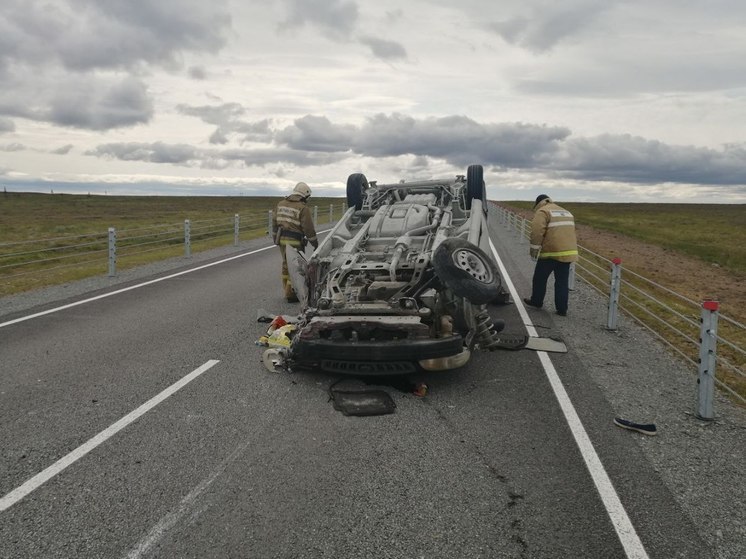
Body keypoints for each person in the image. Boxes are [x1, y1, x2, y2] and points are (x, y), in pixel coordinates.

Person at [523, 194, 578, 316]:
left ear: (538, 203)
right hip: (568, 253)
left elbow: (536, 233)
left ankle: (537, 301)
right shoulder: (566, 212)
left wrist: (534, 252)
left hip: (551, 253)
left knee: (539, 278)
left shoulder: (543, 211)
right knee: (562, 282)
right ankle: (562, 309)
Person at [272, 182, 319, 302]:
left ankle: (286, 291)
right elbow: (308, 229)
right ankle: (291, 293)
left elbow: (274, 223)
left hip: (281, 239)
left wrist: (275, 239)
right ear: (304, 195)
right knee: (295, 266)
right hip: (295, 241)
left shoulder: (280, 204)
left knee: (285, 264)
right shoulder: (303, 208)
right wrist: (315, 244)